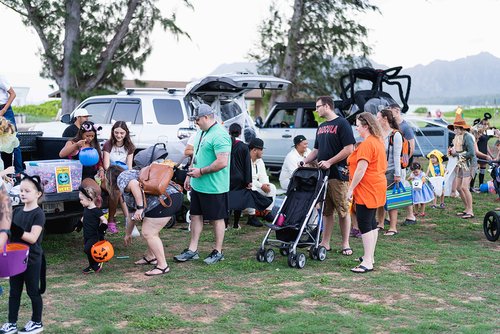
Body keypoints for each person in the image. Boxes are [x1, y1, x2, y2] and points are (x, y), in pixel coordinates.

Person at [174, 104, 231, 265]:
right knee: (195, 216)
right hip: (198, 184)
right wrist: (189, 176)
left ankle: (218, 251)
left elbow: (222, 162)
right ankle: (192, 250)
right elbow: (196, 156)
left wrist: (201, 172)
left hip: (215, 186)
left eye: (197, 119)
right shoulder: (201, 132)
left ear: (206, 117)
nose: (196, 123)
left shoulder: (220, 135)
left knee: (217, 219)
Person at [106, 165, 183, 275]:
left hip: (167, 199)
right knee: (151, 230)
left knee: (149, 233)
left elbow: (135, 185)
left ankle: (162, 266)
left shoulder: (122, 177)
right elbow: (131, 216)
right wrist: (128, 234)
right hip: (174, 195)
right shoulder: (131, 177)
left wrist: (140, 208)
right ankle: (151, 257)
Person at [302, 96, 355, 255]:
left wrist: (330, 162)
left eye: (318, 107)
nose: (316, 110)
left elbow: (349, 149)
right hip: (322, 176)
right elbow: (316, 150)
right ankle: (325, 242)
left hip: (338, 175)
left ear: (326, 106)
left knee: (343, 210)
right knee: (326, 211)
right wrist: (304, 162)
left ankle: (345, 244)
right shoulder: (322, 126)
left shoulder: (342, 123)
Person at [1, 174, 45, 334]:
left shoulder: (38, 214)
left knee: (33, 291)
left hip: (32, 259)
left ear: (38, 194)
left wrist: (13, 228)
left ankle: (36, 322)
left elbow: (33, 238)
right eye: (21, 190)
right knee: (14, 292)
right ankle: (11, 323)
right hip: (15, 260)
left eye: (27, 191)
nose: (23, 193)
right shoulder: (17, 211)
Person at [346, 112, 387, 273]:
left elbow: (361, 169)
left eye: (357, 124)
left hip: (367, 187)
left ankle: (368, 261)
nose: (356, 127)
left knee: (364, 222)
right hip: (376, 185)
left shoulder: (368, 144)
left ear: (366, 126)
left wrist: (350, 189)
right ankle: (369, 256)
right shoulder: (377, 141)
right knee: (370, 222)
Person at [102, 121, 135, 234]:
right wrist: (117, 169)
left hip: (123, 175)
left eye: (122, 133)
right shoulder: (108, 145)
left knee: (122, 191)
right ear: (113, 132)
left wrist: (126, 176)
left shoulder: (129, 147)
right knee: (116, 191)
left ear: (126, 133)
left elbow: (129, 166)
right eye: (116, 132)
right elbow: (106, 166)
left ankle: (128, 220)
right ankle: (114, 220)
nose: (119, 135)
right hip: (109, 175)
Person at [387, 103, 417, 225]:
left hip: (401, 164)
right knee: (390, 189)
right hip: (392, 164)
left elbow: (412, 146)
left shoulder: (405, 127)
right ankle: (388, 217)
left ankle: (411, 216)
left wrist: (403, 162)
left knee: (403, 188)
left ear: (397, 111)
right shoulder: (392, 126)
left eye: (390, 111)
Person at [376, 109, 402, 236]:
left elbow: (397, 156)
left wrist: (398, 174)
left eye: (378, 117)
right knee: (379, 199)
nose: (377, 120)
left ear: (385, 118)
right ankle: (380, 223)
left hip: (391, 171)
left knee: (391, 199)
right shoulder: (380, 134)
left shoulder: (395, 135)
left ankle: (393, 227)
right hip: (379, 171)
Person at [448, 117, 477, 219]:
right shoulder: (457, 137)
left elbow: (472, 153)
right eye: (454, 128)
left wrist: (457, 153)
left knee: (464, 187)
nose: (454, 130)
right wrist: (452, 152)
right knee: (458, 188)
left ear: (461, 128)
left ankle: (471, 211)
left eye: (456, 128)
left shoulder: (467, 137)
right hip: (461, 164)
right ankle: (466, 209)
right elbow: (457, 152)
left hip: (469, 164)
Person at [76, 186, 108, 274]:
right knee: (88, 250)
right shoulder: (86, 209)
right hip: (86, 235)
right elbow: (84, 217)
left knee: (87, 249)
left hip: (94, 235)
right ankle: (92, 266)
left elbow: (104, 220)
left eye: (82, 199)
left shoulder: (96, 211)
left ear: (89, 199)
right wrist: (79, 225)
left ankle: (97, 263)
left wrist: (102, 230)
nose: (80, 201)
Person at [246, 137, 276, 227]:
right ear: (255, 150)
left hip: (256, 184)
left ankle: (267, 213)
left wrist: (265, 184)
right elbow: (247, 178)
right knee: (250, 186)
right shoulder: (245, 159)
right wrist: (261, 185)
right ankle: (251, 216)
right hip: (245, 184)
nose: (262, 152)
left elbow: (263, 175)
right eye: (261, 149)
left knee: (273, 187)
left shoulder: (260, 161)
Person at [227, 123, 252, 229]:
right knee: (238, 201)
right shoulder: (244, 146)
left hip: (226, 176)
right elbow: (247, 165)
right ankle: (236, 224)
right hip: (240, 178)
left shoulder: (226, 145)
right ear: (241, 132)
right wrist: (248, 181)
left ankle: (225, 224)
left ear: (229, 132)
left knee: (227, 200)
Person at [0, 76, 22, 173]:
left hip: (5, 109)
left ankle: (18, 172)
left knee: (13, 140)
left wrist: (3, 110)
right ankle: (5, 172)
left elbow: (13, 94)